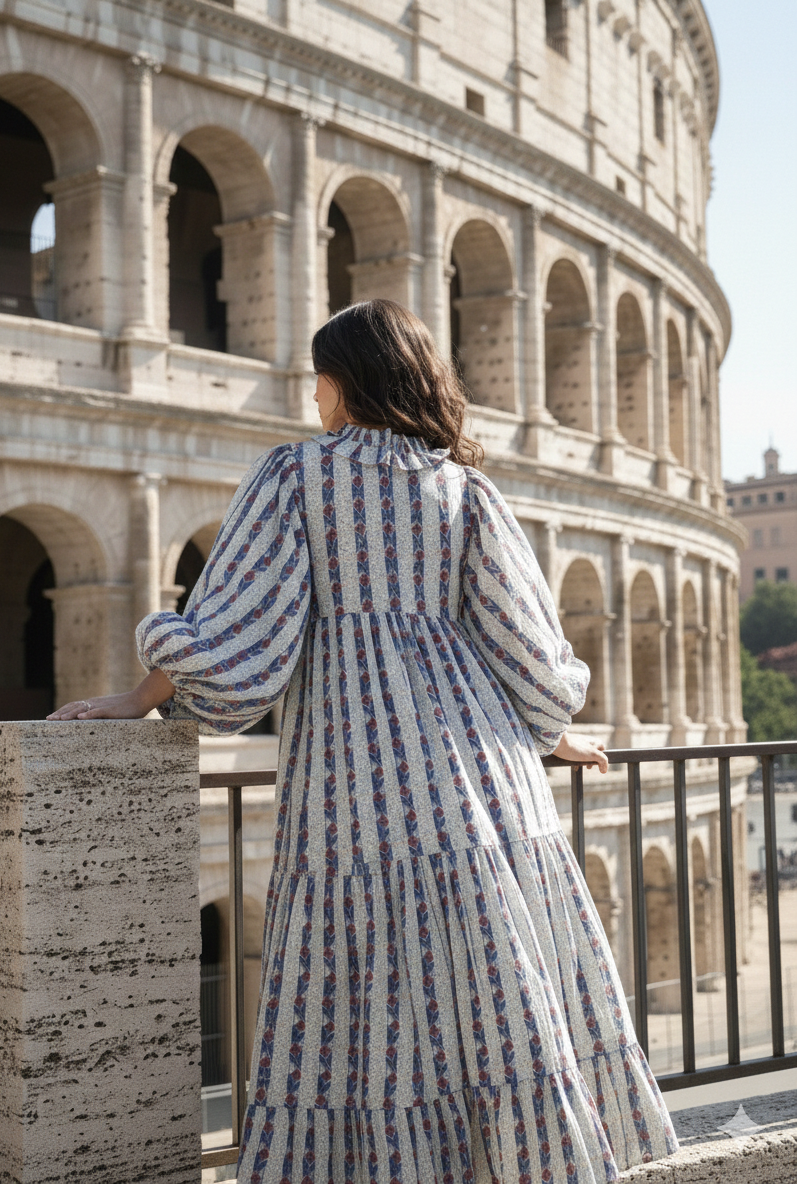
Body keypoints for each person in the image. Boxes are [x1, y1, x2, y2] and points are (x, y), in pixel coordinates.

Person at [49, 299, 677, 1183]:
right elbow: (523, 641)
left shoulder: (297, 477)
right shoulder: (464, 488)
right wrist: (553, 732)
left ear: (343, 385)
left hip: (356, 785)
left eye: (318, 378)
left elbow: (239, 633)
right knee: (492, 993)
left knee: (373, 1002)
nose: (312, 397)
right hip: (487, 780)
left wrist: (140, 696)